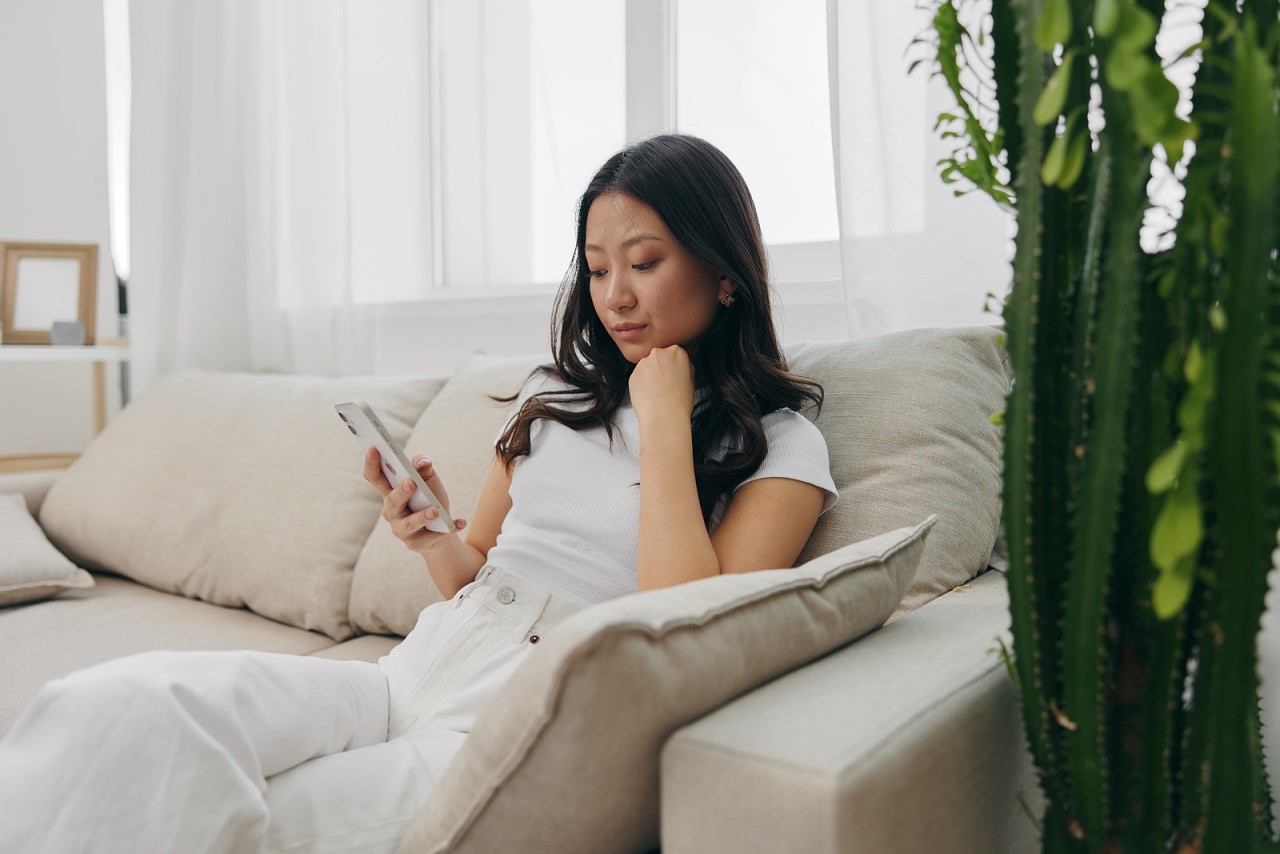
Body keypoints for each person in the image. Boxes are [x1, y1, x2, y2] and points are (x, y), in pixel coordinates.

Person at [0, 133, 837, 853]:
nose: (614, 295)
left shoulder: (783, 447)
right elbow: (481, 575)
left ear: (724, 273)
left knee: (266, 825)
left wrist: (664, 427)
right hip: (410, 670)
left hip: (532, 715)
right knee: (124, 708)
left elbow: (691, 628)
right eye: (595, 268)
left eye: (644, 263)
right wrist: (435, 537)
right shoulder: (558, 395)